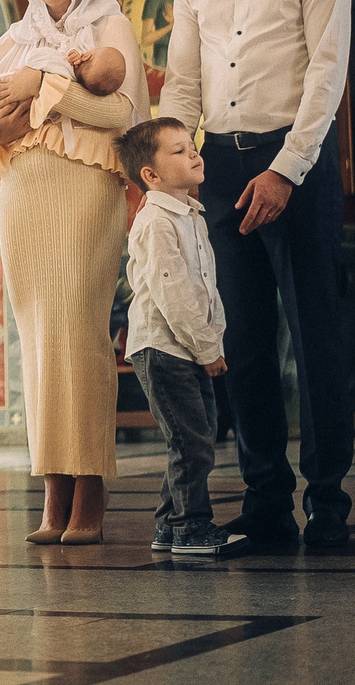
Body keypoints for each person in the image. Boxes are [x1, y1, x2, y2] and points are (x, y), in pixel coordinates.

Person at [165, 0, 355, 547]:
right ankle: (268, 500)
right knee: (240, 339)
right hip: (220, 166)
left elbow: (326, 75)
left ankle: (328, 502)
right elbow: (183, 82)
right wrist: (178, 168)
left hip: (296, 164)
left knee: (314, 338)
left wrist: (286, 169)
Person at [0, 0, 145, 544]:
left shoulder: (109, 28)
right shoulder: (17, 40)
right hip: (24, 191)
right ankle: (52, 491)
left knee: (78, 329)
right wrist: (15, 108)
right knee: (36, 336)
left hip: (87, 185)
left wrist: (45, 88)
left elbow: (120, 113)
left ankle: (91, 490)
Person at [118, 117, 237, 558]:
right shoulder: (156, 222)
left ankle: (169, 527)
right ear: (150, 175)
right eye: (179, 151)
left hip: (186, 346)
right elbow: (174, 292)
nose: (194, 154)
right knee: (192, 442)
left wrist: (211, 340)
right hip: (165, 349)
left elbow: (205, 286)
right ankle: (191, 527)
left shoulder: (191, 216)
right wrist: (206, 347)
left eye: (193, 146)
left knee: (194, 436)